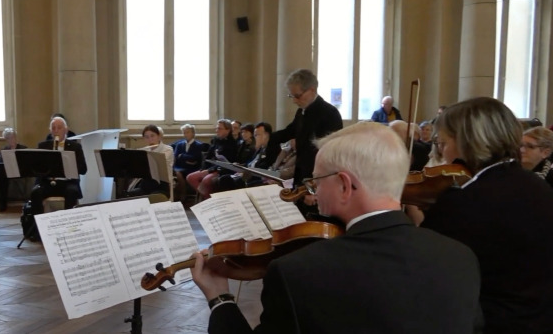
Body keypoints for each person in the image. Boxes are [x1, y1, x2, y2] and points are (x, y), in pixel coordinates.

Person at [190, 122, 482, 333]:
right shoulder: (460, 257)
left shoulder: (299, 272)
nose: (313, 190)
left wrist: (221, 298)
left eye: (317, 180)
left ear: (344, 184)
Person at [420, 97, 553, 332]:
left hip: (490, 322)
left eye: (444, 143)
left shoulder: (466, 200)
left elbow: (426, 264)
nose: (444, 152)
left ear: (465, 142)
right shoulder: (537, 185)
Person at [272, 69, 343, 211]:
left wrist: (313, 188)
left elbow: (327, 156)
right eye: (291, 96)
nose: (294, 101)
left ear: (312, 90)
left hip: (315, 183)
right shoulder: (302, 111)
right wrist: (269, 138)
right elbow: (290, 131)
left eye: (297, 96)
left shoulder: (329, 114)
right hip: (301, 178)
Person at [29, 116, 87, 212]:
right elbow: (37, 168)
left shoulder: (75, 147)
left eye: (59, 128)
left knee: (71, 192)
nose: (56, 130)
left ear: (66, 130)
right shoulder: (43, 146)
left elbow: (83, 169)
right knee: (36, 192)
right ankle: (38, 225)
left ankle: (68, 224)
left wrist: (70, 164)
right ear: (50, 131)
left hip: (67, 183)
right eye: (53, 128)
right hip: (47, 183)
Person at [216, 122, 281, 192]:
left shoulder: (273, 148)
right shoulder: (261, 148)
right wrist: (241, 166)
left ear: (266, 135)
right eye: (255, 135)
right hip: (248, 173)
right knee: (224, 179)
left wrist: (246, 171)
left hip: (256, 176)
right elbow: (251, 162)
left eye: (257, 135)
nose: (255, 138)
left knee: (230, 181)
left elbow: (265, 166)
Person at [186, 119, 237, 200]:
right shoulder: (216, 140)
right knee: (190, 177)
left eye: (220, 129)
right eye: (216, 128)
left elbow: (227, 163)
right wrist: (204, 168)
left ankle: (210, 200)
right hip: (211, 167)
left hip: (221, 170)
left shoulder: (232, 144)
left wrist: (209, 171)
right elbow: (208, 157)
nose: (217, 131)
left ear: (228, 130)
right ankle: (208, 198)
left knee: (206, 181)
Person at [126, 125, 173, 199]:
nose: (150, 139)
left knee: (153, 197)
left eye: (152, 136)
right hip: (146, 185)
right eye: (146, 137)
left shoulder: (168, 149)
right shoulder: (144, 150)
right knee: (130, 195)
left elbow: (157, 164)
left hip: (161, 185)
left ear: (159, 136)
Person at [0, 127, 28, 212]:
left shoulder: (23, 148)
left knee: (0, 175)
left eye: (12, 137)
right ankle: (1, 203)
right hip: (7, 171)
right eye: (8, 138)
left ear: (16, 138)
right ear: (6, 140)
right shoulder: (4, 150)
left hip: (21, 171)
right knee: (0, 175)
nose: (11, 140)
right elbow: (0, 162)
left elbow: (26, 163)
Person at [172, 124, 204, 202]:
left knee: (179, 173)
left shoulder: (198, 145)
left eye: (188, 132)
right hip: (179, 166)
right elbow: (176, 156)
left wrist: (182, 156)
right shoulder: (179, 144)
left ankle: (183, 194)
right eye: (184, 132)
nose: (185, 134)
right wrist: (186, 158)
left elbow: (195, 158)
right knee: (177, 172)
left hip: (192, 167)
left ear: (193, 133)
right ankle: (177, 194)